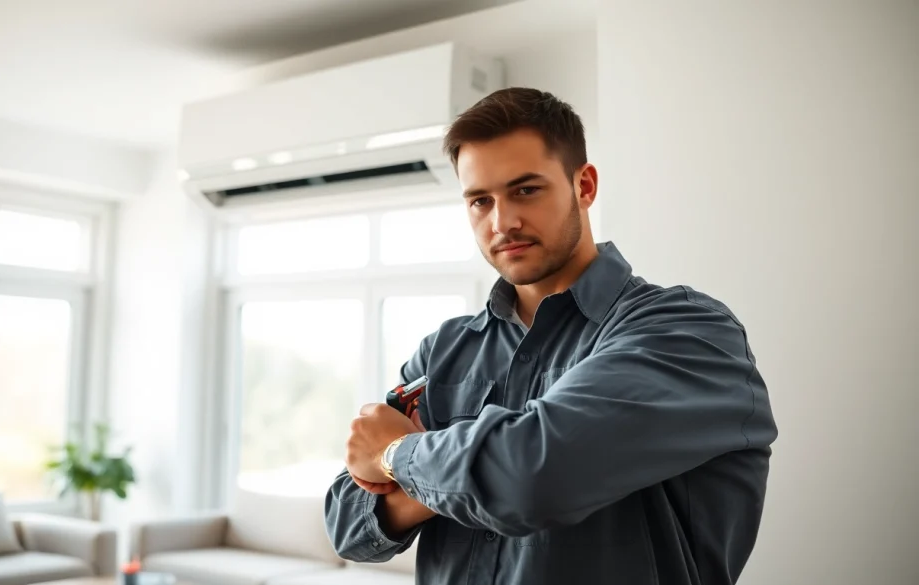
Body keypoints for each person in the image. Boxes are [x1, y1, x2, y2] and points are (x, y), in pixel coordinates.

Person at [324, 87, 778, 585]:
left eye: (525, 190)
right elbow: (348, 524)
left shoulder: (687, 332)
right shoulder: (444, 351)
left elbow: (530, 479)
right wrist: (463, 470)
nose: (503, 222)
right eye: (480, 201)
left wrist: (396, 455)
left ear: (584, 186)